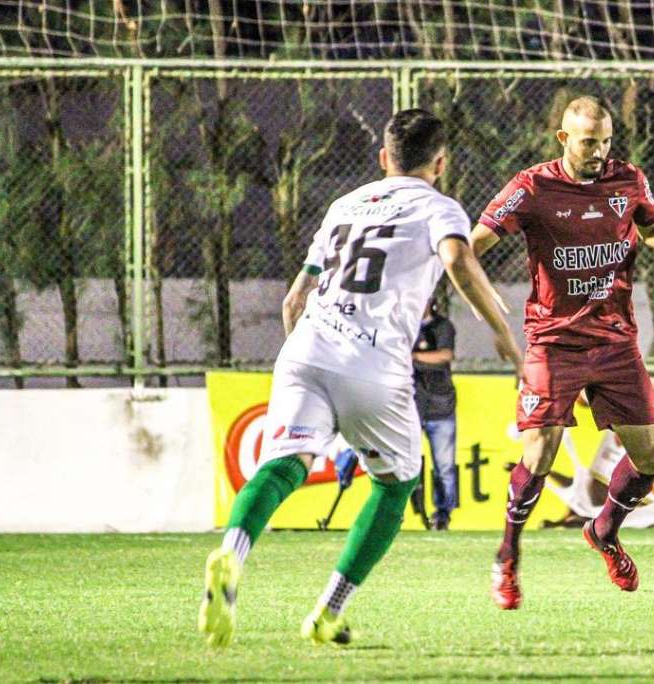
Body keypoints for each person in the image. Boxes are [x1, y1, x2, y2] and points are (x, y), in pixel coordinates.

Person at [199, 108, 522, 647]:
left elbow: (294, 299)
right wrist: (503, 332)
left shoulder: (345, 205)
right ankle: (328, 611)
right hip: (374, 365)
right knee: (397, 486)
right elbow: (459, 259)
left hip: (306, 350)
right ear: (440, 163)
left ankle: (232, 553)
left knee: (283, 466)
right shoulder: (439, 207)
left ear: (383, 158)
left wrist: (305, 357)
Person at [472, 96, 654, 610]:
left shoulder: (627, 180)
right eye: (589, 142)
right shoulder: (531, 187)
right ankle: (507, 558)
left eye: (606, 141)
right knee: (539, 452)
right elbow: (475, 241)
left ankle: (604, 531)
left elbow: (653, 232)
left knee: (650, 457)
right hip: (553, 341)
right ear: (564, 139)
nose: (599, 151)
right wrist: (473, 284)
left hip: (614, 340)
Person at [412, 298, 459, 530]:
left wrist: (413, 358)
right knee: (406, 462)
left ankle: (442, 515)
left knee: (445, 466)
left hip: (441, 407)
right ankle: (404, 510)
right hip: (410, 407)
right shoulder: (405, 324)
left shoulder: (442, 327)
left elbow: (444, 355)